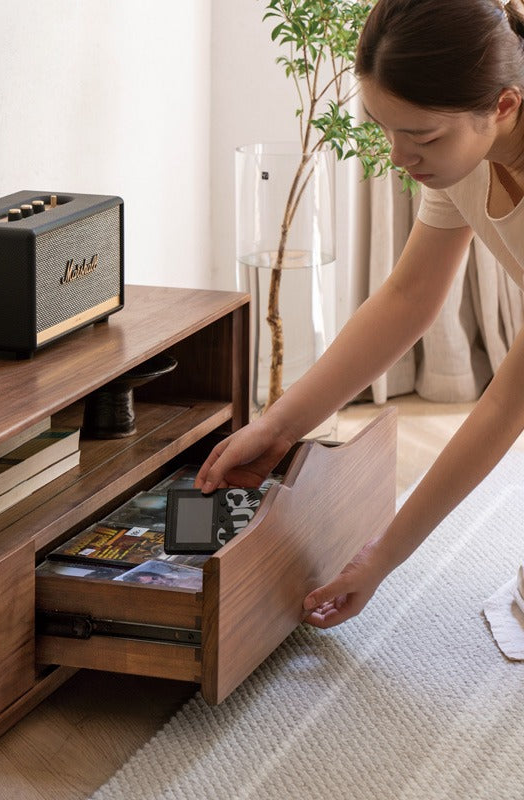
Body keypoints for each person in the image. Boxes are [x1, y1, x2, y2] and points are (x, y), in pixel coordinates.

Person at [195, 0, 524, 628]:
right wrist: (282, 423)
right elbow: (408, 298)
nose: (399, 156)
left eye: (422, 137)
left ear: (502, 107)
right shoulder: (459, 153)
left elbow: (509, 403)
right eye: (383, 127)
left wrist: (383, 555)